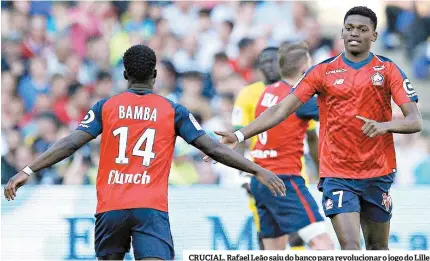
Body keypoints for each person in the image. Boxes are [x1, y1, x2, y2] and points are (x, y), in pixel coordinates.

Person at [4, 44, 286, 260]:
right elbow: (211, 146)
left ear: (125, 75)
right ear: (154, 75)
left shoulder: (106, 106)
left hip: (111, 207)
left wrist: (29, 169)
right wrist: (257, 169)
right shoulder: (172, 110)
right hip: (150, 208)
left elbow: (69, 143)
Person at [209, 6, 422, 250]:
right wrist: (238, 134)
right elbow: (281, 109)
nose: (355, 33)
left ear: (374, 35)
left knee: (377, 249)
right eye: (349, 28)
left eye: (362, 29)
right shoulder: (322, 71)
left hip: (377, 171)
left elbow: (414, 120)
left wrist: (385, 126)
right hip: (338, 174)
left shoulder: (387, 69)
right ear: (342, 32)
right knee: (350, 247)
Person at [248, 42, 333, 250]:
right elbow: (338, 114)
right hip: (283, 178)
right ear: (305, 68)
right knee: (322, 242)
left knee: (273, 250)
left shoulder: (268, 92)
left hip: (260, 179)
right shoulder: (299, 97)